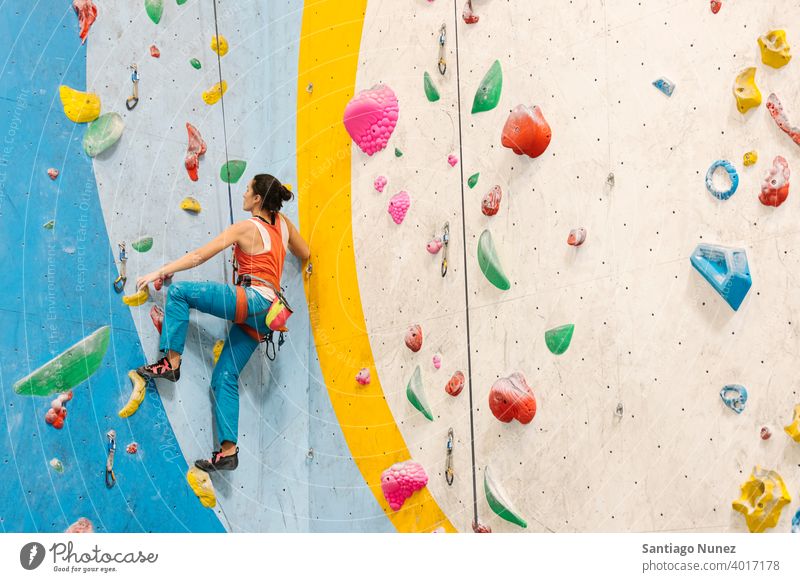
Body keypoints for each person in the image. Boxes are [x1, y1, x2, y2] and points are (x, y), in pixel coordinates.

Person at [134, 174, 310, 471]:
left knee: (178, 293)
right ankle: (228, 451)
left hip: (253, 300)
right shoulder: (283, 224)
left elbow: (199, 256)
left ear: (257, 199)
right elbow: (304, 252)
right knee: (224, 376)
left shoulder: (246, 227)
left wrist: (159, 272)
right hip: (268, 315)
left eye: (247, 190)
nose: (243, 194)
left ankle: (171, 362)